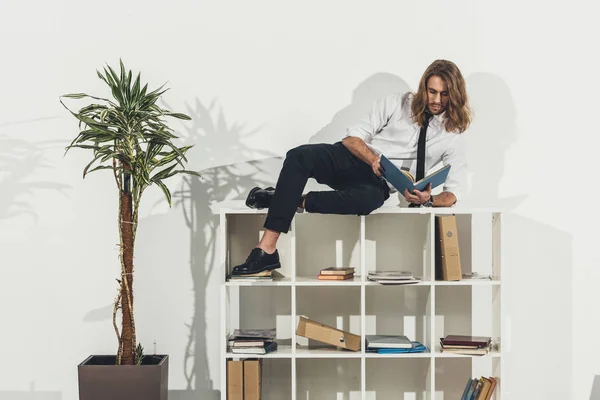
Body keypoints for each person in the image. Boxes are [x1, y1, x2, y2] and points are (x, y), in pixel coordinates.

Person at [232, 59, 471, 275]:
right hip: (352, 159)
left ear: (455, 95)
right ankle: (267, 250)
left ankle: (284, 198)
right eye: (432, 92)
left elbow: (453, 193)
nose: (437, 100)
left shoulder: (453, 134)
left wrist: (428, 199)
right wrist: (372, 159)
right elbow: (352, 138)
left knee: (368, 201)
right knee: (299, 156)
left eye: (445, 94)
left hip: (376, 184)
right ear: (423, 88)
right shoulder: (397, 102)